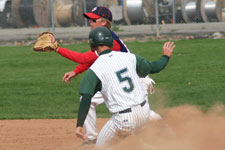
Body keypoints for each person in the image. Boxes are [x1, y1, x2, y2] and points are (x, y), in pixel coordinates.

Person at [55, 6, 161, 144]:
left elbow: (84, 58)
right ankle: (91, 138)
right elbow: (94, 60)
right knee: (89, 100)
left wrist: (57, 48)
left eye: (93, 20)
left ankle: (163, 123)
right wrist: (76, 71)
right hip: (118, 78)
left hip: (135, 79)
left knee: (136, 109)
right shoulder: (105, 39)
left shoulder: (111, 42)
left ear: (103, 22)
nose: (90, 23)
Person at [76, 26, 175, 147]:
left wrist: (79, 125)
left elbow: (86, 98)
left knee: (100, 147)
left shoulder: (95, 69)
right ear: (111, 42)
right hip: (144, 113)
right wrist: (165, 56)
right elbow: (155, 67)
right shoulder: (130, 57)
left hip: (123, 120)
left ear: (92, 45)